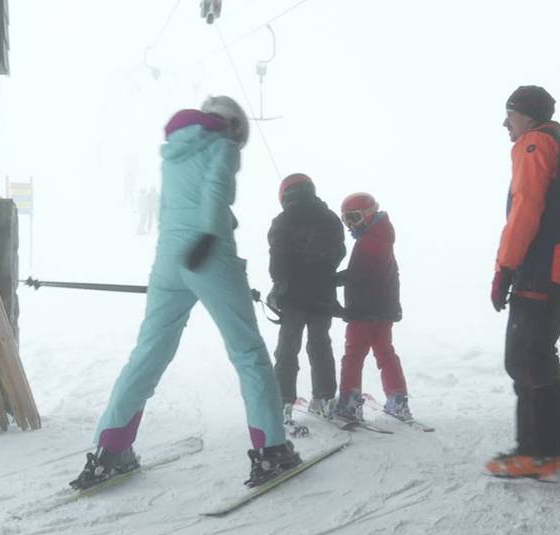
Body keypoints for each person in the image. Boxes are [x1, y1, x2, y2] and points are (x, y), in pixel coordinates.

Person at [70, 95, 300, 490]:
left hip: (168, 261)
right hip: (208, 256)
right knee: (248, 353)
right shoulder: (223, 146)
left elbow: (176, 204)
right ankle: (271, 452)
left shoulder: (173, 151)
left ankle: (111, 449)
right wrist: (212, 234)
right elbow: (213, 191)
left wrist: (204, 232)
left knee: (148, 354)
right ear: (232, 126)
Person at [486, 85, 560, 478]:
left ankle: (537, 452)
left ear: (526, 116)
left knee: (524, 358)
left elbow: (526, 209)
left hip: (543, 266)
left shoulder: (534, 145)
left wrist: (505, 269)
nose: (505, 124)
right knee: (541, 354)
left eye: (509, 115)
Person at [267, 173, 346, 422]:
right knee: (320, 345)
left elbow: (277, 264)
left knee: (287, 348)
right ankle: (323, 399)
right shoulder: (331, 218)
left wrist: (280, 285)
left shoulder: (282, 221)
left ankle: (282, 402)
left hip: (292, 296)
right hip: (323, 294)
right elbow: (338, 252)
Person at [332, 192, 412, 423]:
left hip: (364, 313)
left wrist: (334, 280)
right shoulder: (381, 236)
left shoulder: (369, 241)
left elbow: (361, 275)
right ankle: (398, 399)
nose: (350, 225)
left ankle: (349, 404)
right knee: (385, 352)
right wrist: (393, 308)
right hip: (383, 312)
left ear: (368, 215)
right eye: (345, 219)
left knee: (354, 355)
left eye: (354, 218)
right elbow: (391, 276)